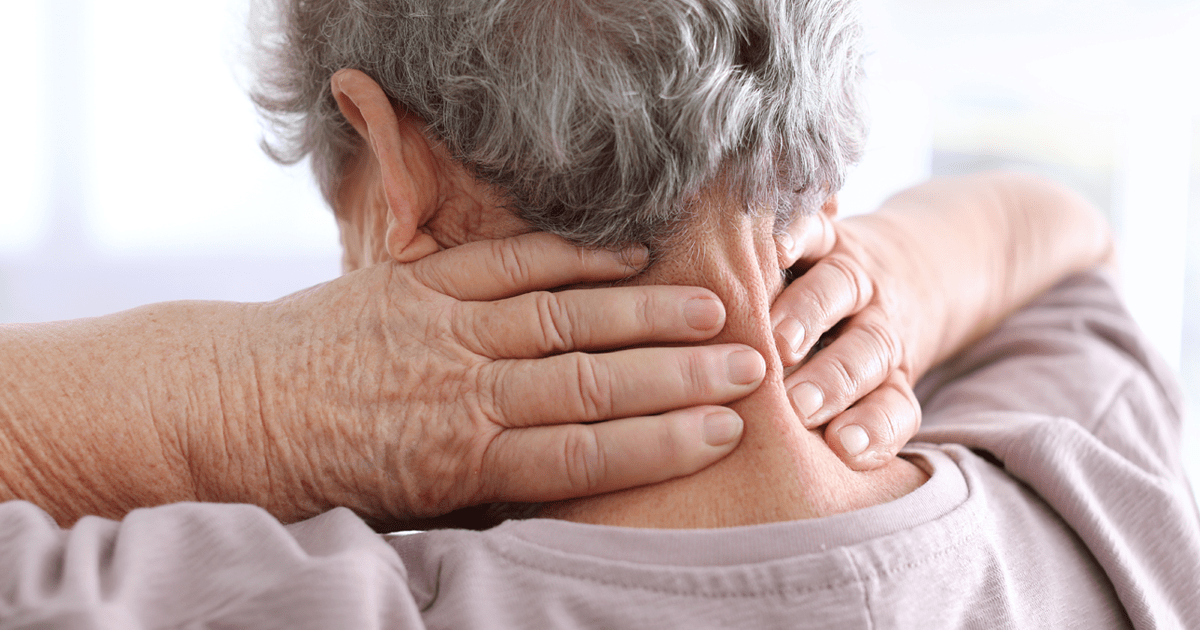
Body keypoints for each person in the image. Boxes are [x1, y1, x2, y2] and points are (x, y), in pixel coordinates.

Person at [3, 0, 1198, 628]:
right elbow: (1060, 231)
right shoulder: (1086, 498)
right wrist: (915, 267)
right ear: (819, 136)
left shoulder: (244, 602)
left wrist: (244, 399)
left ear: (394, 165)